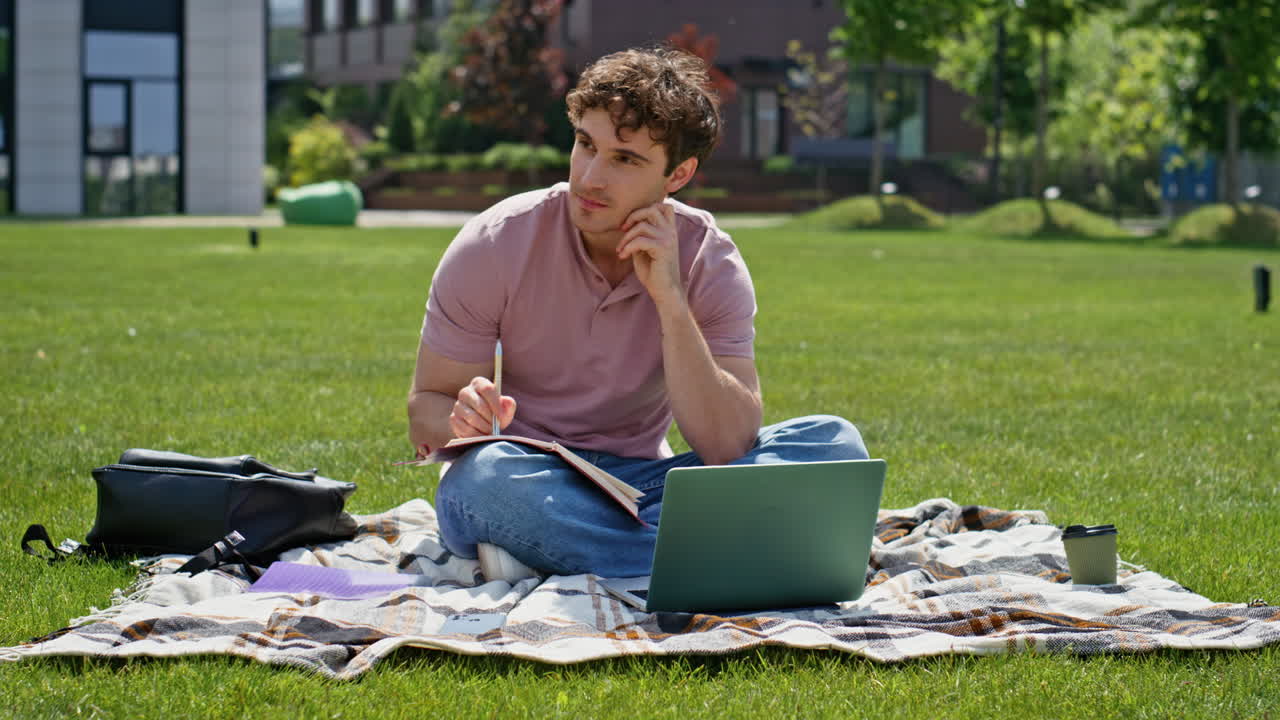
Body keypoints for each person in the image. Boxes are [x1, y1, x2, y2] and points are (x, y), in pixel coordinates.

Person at [407, 47, 868, 580]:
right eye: (585, 145)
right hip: (532, 473)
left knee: (835, 444)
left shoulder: (707, 259)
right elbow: (427, 406)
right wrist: (464, 423)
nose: (591, 177)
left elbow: (727, 444)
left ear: (679, 173)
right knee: (479, 480)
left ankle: (584, 554)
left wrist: (670, 299)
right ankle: (726, 555)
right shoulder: (495, 241)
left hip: (647, 482)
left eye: (624, 159)